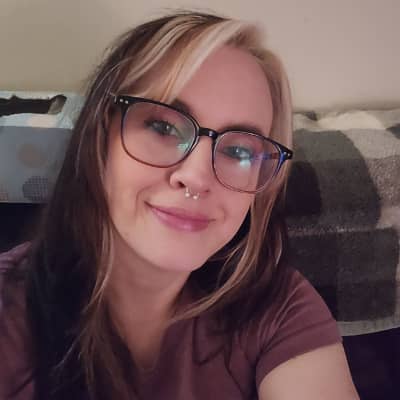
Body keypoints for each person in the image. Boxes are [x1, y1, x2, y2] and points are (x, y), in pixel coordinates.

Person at [0, 10, 359, 400]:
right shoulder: (11, 310)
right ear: (100, 136)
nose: (197, 177)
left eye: (239, 150)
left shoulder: (280, 306)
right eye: (163, 127)